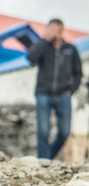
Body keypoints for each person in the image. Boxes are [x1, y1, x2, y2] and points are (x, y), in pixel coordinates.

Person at [27, 19, 83, 160]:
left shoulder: (70, 49)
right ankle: (44, 161)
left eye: (58, 29)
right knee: (43, 131)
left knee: (64, 132)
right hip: (43, 94)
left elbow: (78, 72)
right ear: (47, 30)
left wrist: (71, 90)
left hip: (63, 94)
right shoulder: (42, 46)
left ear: (62, 30)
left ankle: (47, 158)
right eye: (52, 29)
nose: (55, 32)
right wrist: (45, 39)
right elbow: (31, 58)